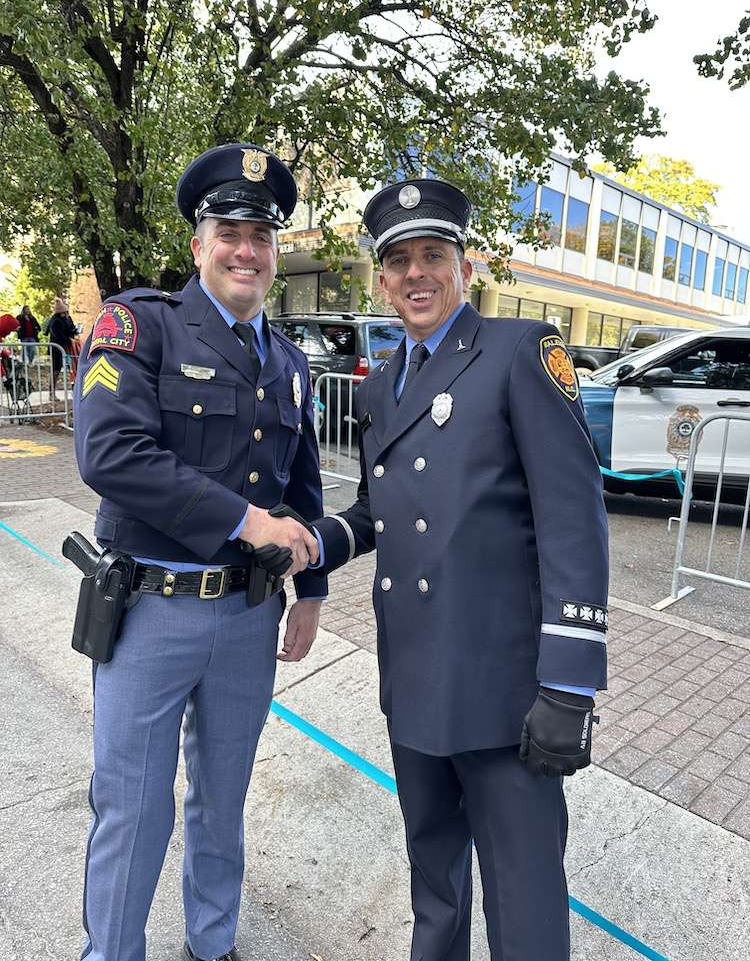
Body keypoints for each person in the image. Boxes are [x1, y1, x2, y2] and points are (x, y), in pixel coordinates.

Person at [311, 179, 609, 960]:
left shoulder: (520, 352)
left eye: (433, 256)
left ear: (465, 268)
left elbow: (573, 519)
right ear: (381, 279)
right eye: (399, 260)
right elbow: (383, 509)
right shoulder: (381, 383)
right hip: (413, 672)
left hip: (504, 689)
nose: (417, 274)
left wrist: (569, 684)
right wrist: (315, 542)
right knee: (434, 884)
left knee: (523, 897)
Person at [73, 143, 326, 961]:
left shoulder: (289, 365)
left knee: (223, 800)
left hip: (247, 620)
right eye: (229, 230)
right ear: (198, 243)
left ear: (275, 251)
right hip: (150, 610)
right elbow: (110, 454)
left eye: (261, 235)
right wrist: (251, 523)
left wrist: (312, 588)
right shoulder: (138, 324)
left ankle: (211, 946)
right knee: (134, 805)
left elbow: (306, 488)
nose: (245, 249)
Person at [47, 296, 78, 396]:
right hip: (57, 348)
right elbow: (58, 335)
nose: (66, 314)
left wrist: (74, 331)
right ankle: (51, 392)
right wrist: (68, 338)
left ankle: (75, 390)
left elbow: (71, 329)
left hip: (67, 347)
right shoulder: (55, 321)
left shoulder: (67, 318)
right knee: (56, 369)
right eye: (64, 312)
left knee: (73, 368)